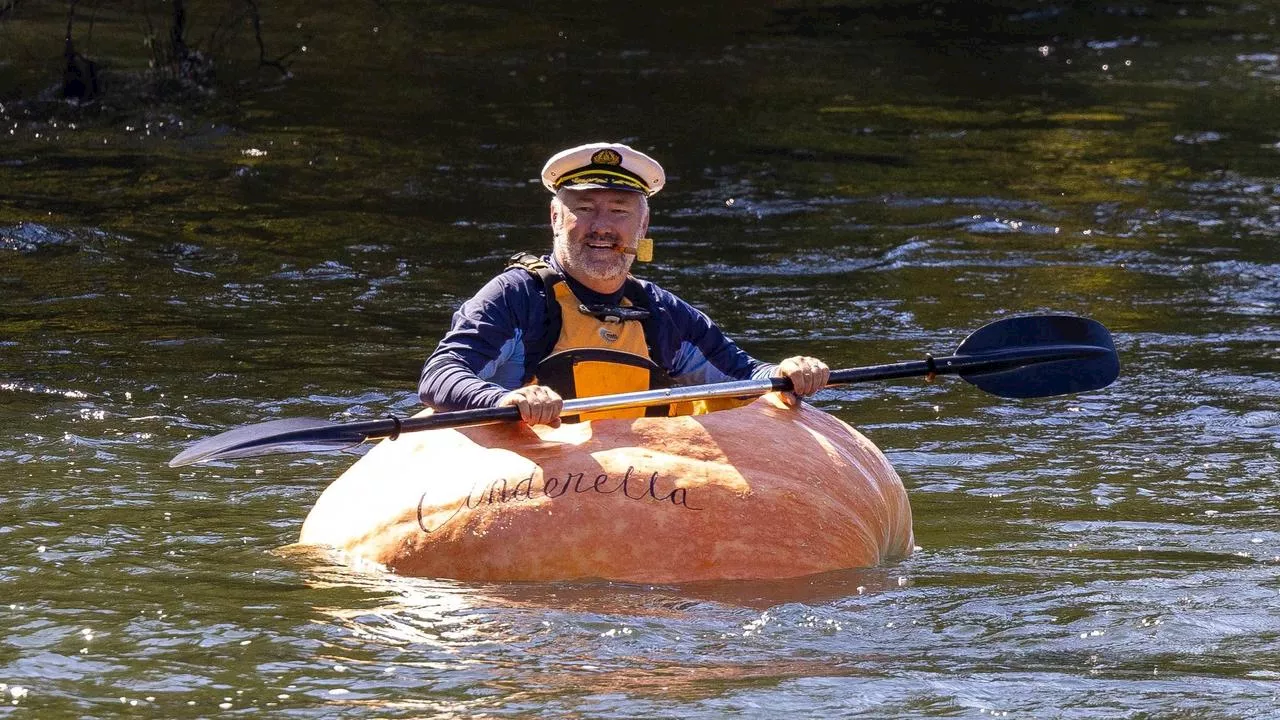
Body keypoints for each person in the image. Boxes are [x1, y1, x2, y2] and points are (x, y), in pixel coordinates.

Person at [418, 142, 830, 427]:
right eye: (583, 209)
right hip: (532, 480)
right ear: (555, 218)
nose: (601, 227)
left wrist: (787, 372)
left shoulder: (663, 312)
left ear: (642, 224)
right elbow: (440, 375)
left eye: (619, 211)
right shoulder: (515, 297)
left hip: (637, 485)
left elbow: (745, 378)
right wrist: (503, 400)